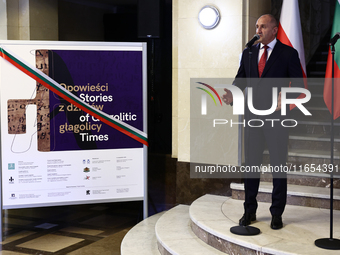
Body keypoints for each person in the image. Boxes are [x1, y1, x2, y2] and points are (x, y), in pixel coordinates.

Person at [222, 14, 304, 230]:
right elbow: (241, 78)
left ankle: (277, 213)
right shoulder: (249, 53)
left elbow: (299, 84)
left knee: (278, 165)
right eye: (257, 26)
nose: (258, 30)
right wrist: (232, 93)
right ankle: (249, 210)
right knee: (251, 165)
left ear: (274, 29)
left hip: (277, 118)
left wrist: (285, 98)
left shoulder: (288, 54)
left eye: (263, 26)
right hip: (252, 117)